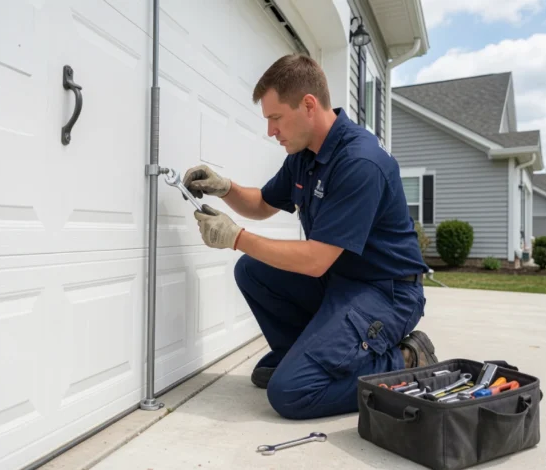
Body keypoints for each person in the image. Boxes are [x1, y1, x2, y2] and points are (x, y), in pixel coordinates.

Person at [183, 54, 437, 420]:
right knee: (252, 270)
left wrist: (235, 236)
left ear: (308, 105)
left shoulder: (359, 162)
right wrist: (224, 187)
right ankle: (305, 356)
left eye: (275, 118)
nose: (271, 131)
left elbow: (316, 261)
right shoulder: (305, 155)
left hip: (385, 293)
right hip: (341, 282)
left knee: (291, 392)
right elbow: (262, 204)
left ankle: (407, 357)